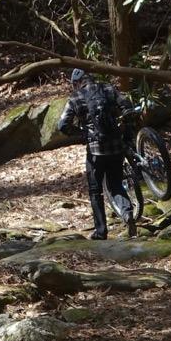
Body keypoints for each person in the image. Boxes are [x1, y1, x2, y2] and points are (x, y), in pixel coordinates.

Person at [57, 68, 135, 240]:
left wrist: (81, 134)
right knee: (115, 184)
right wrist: (125, 130)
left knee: (95, 191)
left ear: (76, 83)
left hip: (95, 150)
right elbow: (127, 105)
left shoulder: (75, 98)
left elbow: (62, 125)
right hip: (116, 146)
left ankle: (101, 231)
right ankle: (127, 213)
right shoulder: (107, 88)